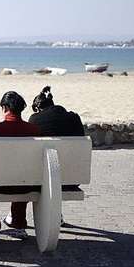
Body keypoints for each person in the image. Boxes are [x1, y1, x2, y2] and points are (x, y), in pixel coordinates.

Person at [0, 91, 40, 241]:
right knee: (23, 174)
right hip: (25, 184)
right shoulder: (33, 130)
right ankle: (19, 224)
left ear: (5, 107)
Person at [27, 86, 85, 226]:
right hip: (72, 178)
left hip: (41, 179)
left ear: (38, 108)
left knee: (43, 171)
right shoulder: (74, 118)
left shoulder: (35, 120)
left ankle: (17, 218)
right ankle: (56, 215)